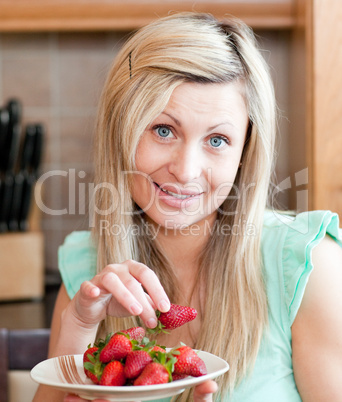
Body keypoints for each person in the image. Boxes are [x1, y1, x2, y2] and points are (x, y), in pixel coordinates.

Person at [33, 12, 342, 402]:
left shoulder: (309, 269)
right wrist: (77, 329)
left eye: (217, 140)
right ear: (121, 133)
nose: (185, 170)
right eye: (163, 131)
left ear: (244, 153)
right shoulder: (87, 274)